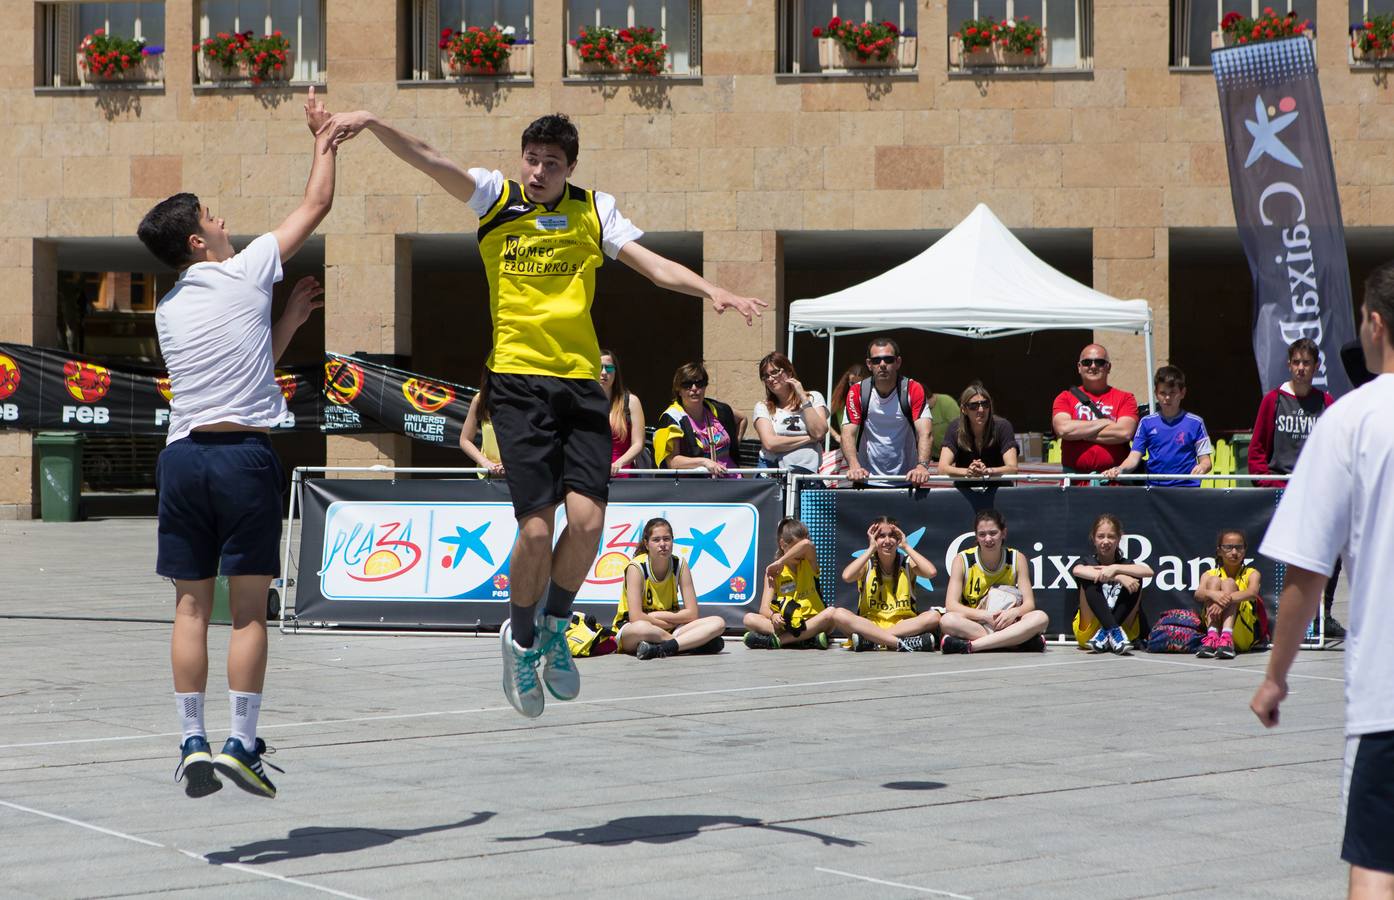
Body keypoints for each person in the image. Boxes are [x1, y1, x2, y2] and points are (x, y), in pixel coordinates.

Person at [319, 111, 765, 718]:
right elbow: (429, 157)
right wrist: (372, 123)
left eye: (551, 162)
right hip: (519, 385)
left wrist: (712, 290)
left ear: (569, 168)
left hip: (581, 385)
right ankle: (522, 637)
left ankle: (555, 627)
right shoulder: (493, 196)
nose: (538, 170)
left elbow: (653, 265)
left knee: (585, 524)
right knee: (535, 529)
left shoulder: (593, 209)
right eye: (532, 158)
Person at [136, 87, 334, 798]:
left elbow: (238, 364)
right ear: (198, 240)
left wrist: (285, 327)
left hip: (183, 459)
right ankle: (241, 743)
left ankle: (190, 740)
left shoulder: (167, 309)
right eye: (213, 217)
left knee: (190, 607)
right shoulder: (245, 269)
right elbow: (314, 207)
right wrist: (324, 141)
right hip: (244, 459)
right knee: (248, 609)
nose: (223, 222)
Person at [1252, 260, 1394, 896]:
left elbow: (1305, 570)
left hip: (1386, 694)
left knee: (1375, 863)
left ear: (1373, 323)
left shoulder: (1351, 420)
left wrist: (1275, 676)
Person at [1248, 337, 1344, 637]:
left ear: (1316, 367)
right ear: (1289, 365)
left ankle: (1323, 613)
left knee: (1332, 552)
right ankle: (1285, 617)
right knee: (1290, 557)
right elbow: (1257, 451)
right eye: (1297, 363)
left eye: (1307, 363)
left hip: (1317, 492)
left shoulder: (1325, 402)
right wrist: (1270, 482)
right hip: (1282, 489)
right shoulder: (1273, 400)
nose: (1301, 368)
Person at [613, 517, 727, 659]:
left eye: (667, 539)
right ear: (646, 544)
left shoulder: (680, 564)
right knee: (642, 628)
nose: (663, 544)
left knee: (718, 622)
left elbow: (692, 613)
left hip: (670, 626)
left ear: (673, 541)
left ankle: (663, 647)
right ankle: (689, 644)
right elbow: (636, 617)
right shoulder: (636, 567)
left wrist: (656, 615)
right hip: (633, 629)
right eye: (656, 540)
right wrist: (670, 621)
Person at [940, 509, 1049, 653]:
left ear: (1003, 533)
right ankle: (1016, 642)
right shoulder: (962, 560)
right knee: (947, 621)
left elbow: (1029, 604)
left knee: (1041, 618)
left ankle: (972, 646)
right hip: (976, 622)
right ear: (976, 536)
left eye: (993, 533)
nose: (988, 539)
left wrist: (1015, 612)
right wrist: (985, 616)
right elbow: (951, 605)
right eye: (982, 534)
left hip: (1007, 622)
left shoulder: (1017, 558)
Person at [835, 516, 940, 652]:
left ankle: (873, 641)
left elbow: (931, 572)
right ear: (874, 539)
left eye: (892, 536)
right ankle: (900, 643)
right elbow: (847, 576)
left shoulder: (907, 562)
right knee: (838, 614)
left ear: (898, 539)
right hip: (870, 624)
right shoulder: (868, 563)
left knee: (934, 617)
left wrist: (906, 546)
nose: (887, 541)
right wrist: (871, 549)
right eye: (881, 536)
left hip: (902, 625)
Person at [839, 337, 933, 487]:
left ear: (898, 362)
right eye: (876, 361)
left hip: (907, 480)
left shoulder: (913, 389)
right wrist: (854, 465)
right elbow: (847, 433)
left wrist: (921, 466)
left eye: (888, 360)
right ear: (869, 364)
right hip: (866, 479)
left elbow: (925, 433)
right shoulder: (857, 391)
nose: (882, 365)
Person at [1103, 365, 1212, 487]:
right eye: (1162, 393)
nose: (1167, 398)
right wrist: (1120, 469)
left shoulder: (1196, 423)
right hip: (1155, 490)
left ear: (1182, 393)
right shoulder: (1146, 422)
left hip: (1187, 489)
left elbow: (1206, 461)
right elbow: (1134, 457)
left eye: (1172, 393)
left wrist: (1202, 467)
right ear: (1156, 394)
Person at [742, 517, 833, 649]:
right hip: (789, 624)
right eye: (795, 548)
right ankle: (805, 639)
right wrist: (773, 616)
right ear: (783, 544)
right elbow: (764, 609)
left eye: (799, 549)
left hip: (813, 620)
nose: (800, 553)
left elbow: (807, 544)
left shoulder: (809, 562)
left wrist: (780, 561)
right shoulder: (773, 573)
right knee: (749, 619)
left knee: (831, 614)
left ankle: (776, 640)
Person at [1070, 514, 1154, 654]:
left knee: (1135, 577)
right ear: (1093, 538)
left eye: (1111, 537)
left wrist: (1115, 568)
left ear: (1119, 539)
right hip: (1090, 633)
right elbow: (1077, 570)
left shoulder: (1125, 564)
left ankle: (1108, 632)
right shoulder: (1087, 562)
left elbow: (1149, 572)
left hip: (1124, 633)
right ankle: (1112, 630)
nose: (1106, 541)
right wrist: (1119, 577)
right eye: (1101, 536)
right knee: (1089, 578)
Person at [1051, 343, 1139, 476]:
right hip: (1076, 483)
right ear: (1079, 367)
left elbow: (1124, 432)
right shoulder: (1065, 397)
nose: (1093, 366)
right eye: (1087, 362)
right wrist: (1104, 422)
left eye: (1099, 362)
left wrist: (1079, 434)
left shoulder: (1126, 398)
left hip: (1114, 481)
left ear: (1108, 367)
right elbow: (1063, 429)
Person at [654, 361, 747, 476]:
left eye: (699, 383)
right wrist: (704, 462)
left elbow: (742, 419)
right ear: (678, 389)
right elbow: (672, 461)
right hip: (698, 486)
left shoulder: (717, 409)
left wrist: (733, 445)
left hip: (733, 480)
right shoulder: (672, 418)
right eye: (687, 384)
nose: (694, 388)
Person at [752, 351, 829, 474]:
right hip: (773, 473)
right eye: (765, 376)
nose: (770, 379)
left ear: (789, 372)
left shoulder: (813, 398)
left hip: (808, 474)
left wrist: (803, 398)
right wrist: (810, 438)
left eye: (775, 372)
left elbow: (819, 432)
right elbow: (770, 444)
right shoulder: (763, 407)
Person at [1193, 529, 1264, 660]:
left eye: (1239, 548)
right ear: (1219, 550)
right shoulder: (1209, 574)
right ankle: (1212, 637)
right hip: (1214, 624)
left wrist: (1225, 600)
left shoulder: (1252, 573)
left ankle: (1227, 637)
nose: (1234, 552)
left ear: (1245, 550)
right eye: (1228, 547)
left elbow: (1252, 593)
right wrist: (1214, 595)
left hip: (1241, 632)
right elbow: (1198, 594)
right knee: (1214, 581)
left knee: (1229, 583)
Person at [937, 382, 1019, 484]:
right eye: (973, 406)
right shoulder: (954, 428)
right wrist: (968, 472)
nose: (981, 410)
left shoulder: (1003, 427)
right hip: (965, 492)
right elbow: (942, 469)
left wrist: (989, 471)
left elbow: (1012, 468)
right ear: (964, 410)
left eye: (985, 404)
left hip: (999, 491)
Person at [600, 348, 646, 477]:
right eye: (599, 367)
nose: (604, 373)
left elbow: (638, 443)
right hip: (592, 475)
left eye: (609, 368)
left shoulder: (631, 401)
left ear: (615, 372)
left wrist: (619, 463)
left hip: (623, 474)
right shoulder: (583, 402)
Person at [458, 373, 504, 477]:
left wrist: (512, 464)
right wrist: (485, 463)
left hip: (519, 476)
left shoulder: (525, 400)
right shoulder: (480, 399)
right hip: (487, 478)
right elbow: (464, 440)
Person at [828, 362, 870, 446]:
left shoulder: (871, 398)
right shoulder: (841, 399)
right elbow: (822, 418)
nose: (855, 387)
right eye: (852, 383)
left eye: (859, 383)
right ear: (847, 382)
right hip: (848, 446)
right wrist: (836, 436)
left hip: (868, 447)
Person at [925, 388, 961, 460]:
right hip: (935, 456)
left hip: (954, 453)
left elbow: (959, 427)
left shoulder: (947, 402)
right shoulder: (922, 409)